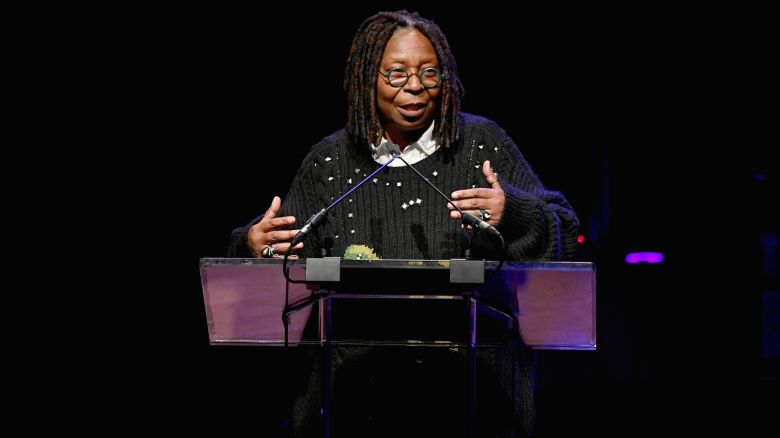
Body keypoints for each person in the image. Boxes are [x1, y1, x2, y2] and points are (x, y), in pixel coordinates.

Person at [228, 10, 579, 437]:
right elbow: (279, 256)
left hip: (473, 401)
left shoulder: (483, 145)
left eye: (430, 73)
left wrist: (514, 213)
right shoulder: (329, 162)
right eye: (396, 74)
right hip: (354, 405)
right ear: (366, 78)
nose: (414, 87)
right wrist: (252, 243)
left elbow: (566, 231)